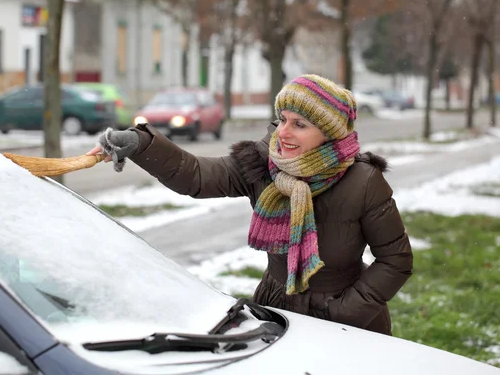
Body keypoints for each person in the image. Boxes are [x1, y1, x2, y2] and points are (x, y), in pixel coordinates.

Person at [86, 74, 413, 335]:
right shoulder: (263, 164)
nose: (282, 132)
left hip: (348, 321)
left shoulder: (363, 182)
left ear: (330, 134)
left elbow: (395, 260)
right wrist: (141, 144)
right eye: (282, 119)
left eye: (299, 124)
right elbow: (197, 175)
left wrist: (343, 312)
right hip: (276, 310)